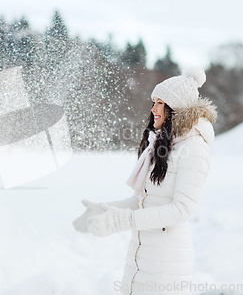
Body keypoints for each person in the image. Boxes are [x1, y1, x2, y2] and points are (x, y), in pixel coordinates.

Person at [73, 67, 217, 295]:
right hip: (141, 258)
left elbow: (181, 210)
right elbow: (143, 201)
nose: (153, 109)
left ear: (176, 108)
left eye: (160, 103)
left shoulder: (194, 148)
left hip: (166, 265)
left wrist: (121, 221)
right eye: (154, 102)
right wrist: (102, 211)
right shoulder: (163, 145)